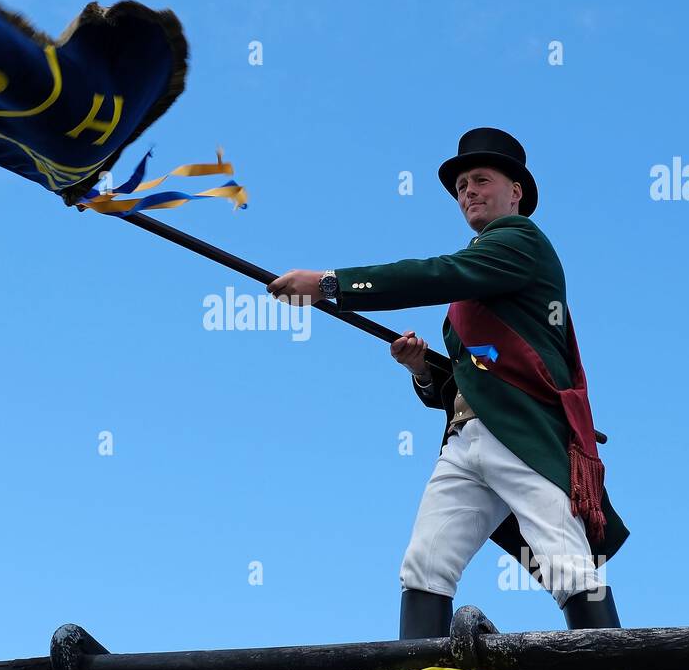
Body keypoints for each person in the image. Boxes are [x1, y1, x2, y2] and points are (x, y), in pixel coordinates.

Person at [267, 127, 628, 640]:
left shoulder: (519, 242)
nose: (469, 193)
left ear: (516, 192)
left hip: (519, 434)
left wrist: (330, 284)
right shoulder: (476, 275)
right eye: (461, 187)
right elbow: (470, 376)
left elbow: (435, 274)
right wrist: (421, 371)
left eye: (481, 180)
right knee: (425, 563)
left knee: (565, 562)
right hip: (465, 440)